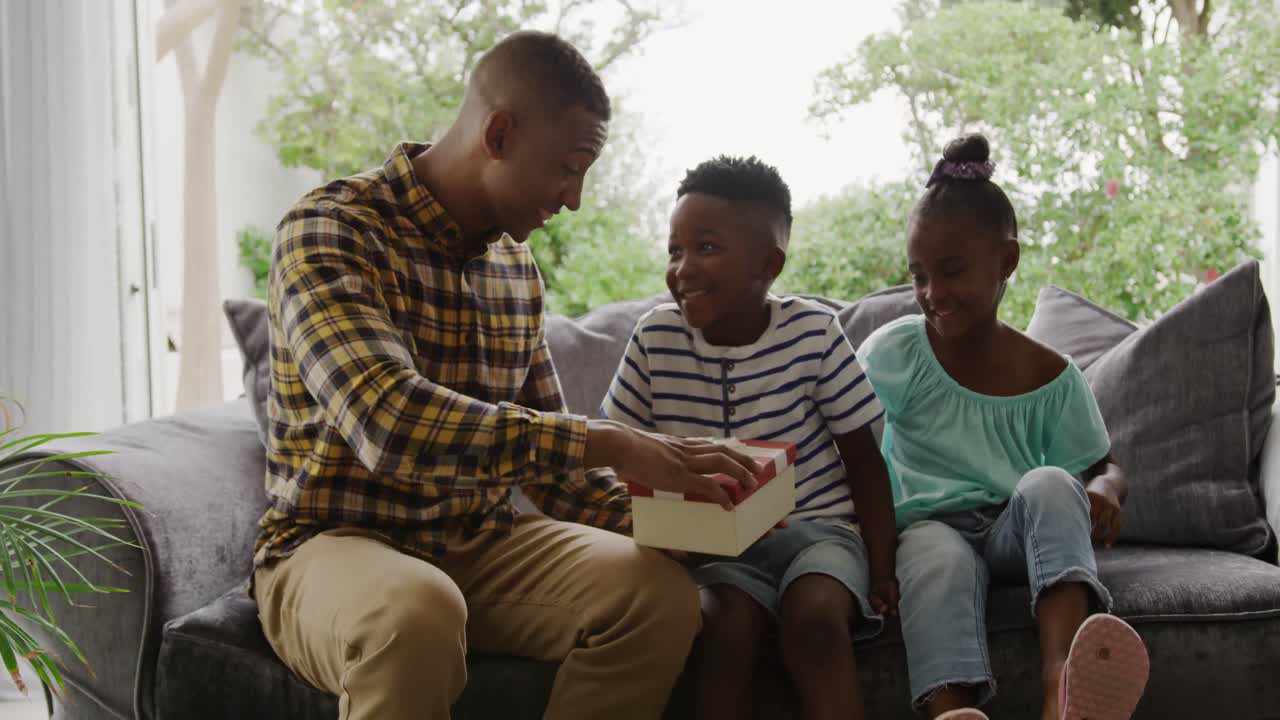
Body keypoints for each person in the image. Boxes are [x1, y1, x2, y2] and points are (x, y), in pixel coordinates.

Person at [251, 31, 763, 720]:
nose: (574, 199)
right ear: (497, 133)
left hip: (478, 542)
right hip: (330, 546)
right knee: (416, 612)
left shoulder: (515, 271)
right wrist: (616, 442)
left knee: (659, 598)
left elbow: (556, 479)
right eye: (567, 168)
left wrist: (680, 523)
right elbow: (390, 423)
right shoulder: (329, 231)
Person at [856, 134, 1150, 720]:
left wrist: (1104, 489)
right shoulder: (895, 353)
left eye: (952, 271)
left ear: (1006, 262)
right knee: (935, 558)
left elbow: (1104, 464)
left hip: (1016, 535)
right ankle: (952, 711)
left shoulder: (1052, 376)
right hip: (929, 528)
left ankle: (1063, 689)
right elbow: (846, 444)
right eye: (918, 276)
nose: (933, 295)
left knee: (1048, 481)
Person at [601, 156, 899, 720]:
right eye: (674, 249)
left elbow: (863, 459)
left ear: (769, 264)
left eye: (706, 248)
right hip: (714, 548)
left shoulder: (812, 332)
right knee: (724, 627)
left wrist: (883, 568)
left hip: (820, 533)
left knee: (813, 622)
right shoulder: (654, 339)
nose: (682, 268)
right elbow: (616, 451)